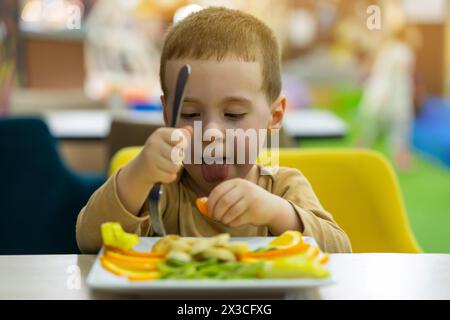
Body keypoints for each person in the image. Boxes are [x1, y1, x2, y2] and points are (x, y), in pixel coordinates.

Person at [76, 7, 351, 254]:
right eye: (190, 114)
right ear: (167, 114)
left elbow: (340, 252)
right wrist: (138, 175)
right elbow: (90, 240)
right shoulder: (161, 191)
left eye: (233, 114)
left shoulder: (284, 188)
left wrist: (278, 214)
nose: (211, 133)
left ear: (274, 116)